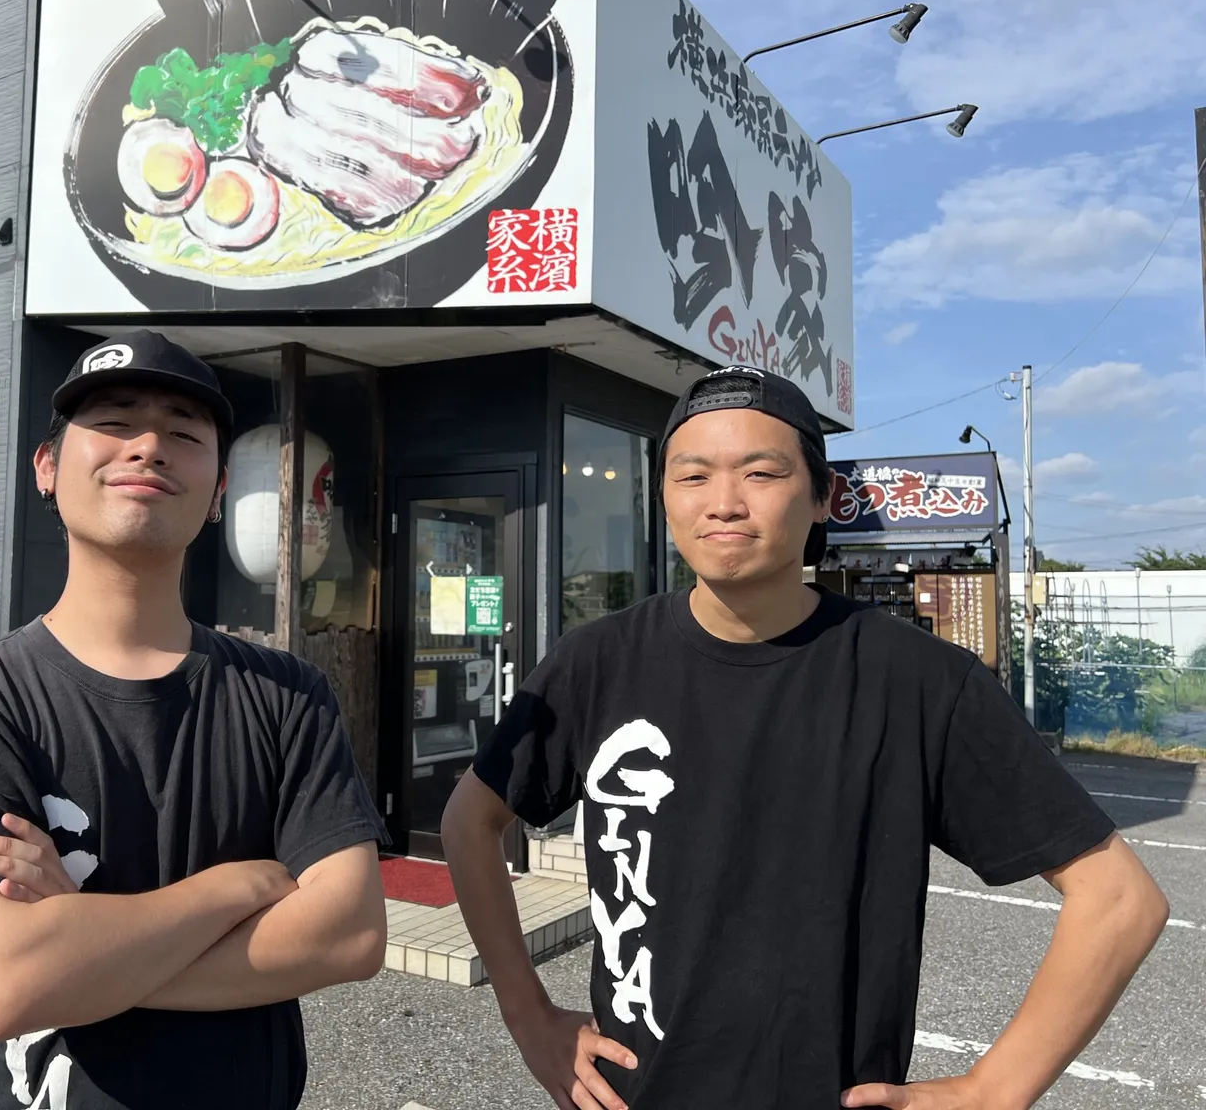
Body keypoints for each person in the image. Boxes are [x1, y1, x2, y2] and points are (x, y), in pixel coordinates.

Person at [442, 364, 1169, 1110]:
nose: (724, 503)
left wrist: (994, 1089)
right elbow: (471, 819)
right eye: (692, 475)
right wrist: (527, 1014)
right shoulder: (595, 663)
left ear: (824, 497)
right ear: (662, 496)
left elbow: (1118, 899)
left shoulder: (919, 681)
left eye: (762, 472)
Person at [0, 329, 389, 1109]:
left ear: (218, 492)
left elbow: (348, 934)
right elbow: (5, 983)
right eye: (115, 424)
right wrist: (232, 887)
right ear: (47, 469)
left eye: (183, 435)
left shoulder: (288, 696)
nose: (148, 446)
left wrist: (81, 940)